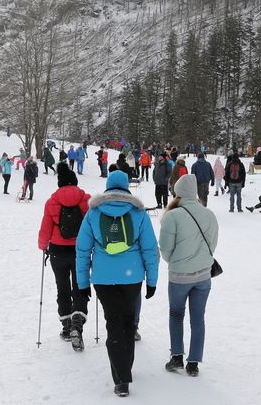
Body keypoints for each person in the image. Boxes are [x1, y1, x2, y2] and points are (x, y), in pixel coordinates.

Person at [75, 170, 159, 397]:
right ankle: (124, 370)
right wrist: (152, 280)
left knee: (113, 322)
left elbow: (83, 251)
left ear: (108, 186)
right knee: (129, 321)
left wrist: (82, 283)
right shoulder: (138, 213)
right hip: (132, 278)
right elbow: (150, 249)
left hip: (103, 278)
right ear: (126, 187)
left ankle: (121, 377)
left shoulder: (93, 212)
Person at [159, 174, 218, 377]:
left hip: (179, 277)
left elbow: (165, 250)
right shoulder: (209, 214)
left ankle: (177, 357)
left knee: (176, 314)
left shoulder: (172, 216)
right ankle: (193, 363)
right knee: (198, 318)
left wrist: (176, 261)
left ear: (178, 192)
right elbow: (213, 245)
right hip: (203, 276)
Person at [39, 163, 91, 350]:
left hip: (57, 251)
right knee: (80, 287)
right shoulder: (86, 200)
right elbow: (91, 226)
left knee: (63, 287)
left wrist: (43, 245)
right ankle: (78, 322)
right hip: (80, 251)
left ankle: (67, 326)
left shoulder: (52, 202)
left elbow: (46, 228)